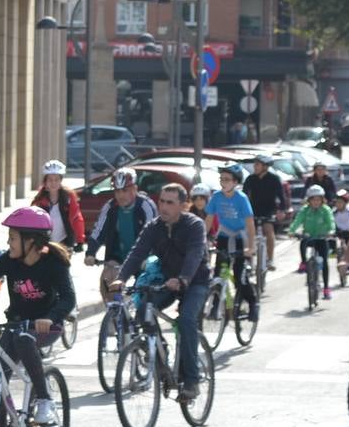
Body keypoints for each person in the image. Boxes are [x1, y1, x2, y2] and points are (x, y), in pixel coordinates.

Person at [0, 205, 75, 427]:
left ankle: (44, 399)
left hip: (46, 326)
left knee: (25, 339)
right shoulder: (8, 260)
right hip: (16, 323)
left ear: (31, 241)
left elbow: (68, 299)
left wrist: (51, 317)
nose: (8, 243)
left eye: (12, 238)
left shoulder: (54, 262)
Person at [110, 184, 211, 403]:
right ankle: (161, 358)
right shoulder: (154, 227)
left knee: (185, 320)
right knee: (143, 310)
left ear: (183, 206)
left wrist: (183, 279)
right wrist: (121, 277)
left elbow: (195, 255)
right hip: (167, 282)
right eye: (161, 201)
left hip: (195, 282)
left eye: (170, 203)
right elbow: (137, 253)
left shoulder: (194, 225)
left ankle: (191, 382)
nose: (163, 207)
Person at [85, 167, 157, 303]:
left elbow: (153, 235)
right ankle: (113, 316)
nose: (120, 195)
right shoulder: (110, 207)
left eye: (125, 190)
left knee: (144, 296)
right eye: (117, 191)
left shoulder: (146, 206)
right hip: (118, 256)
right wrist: (90, 253)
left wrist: (147, 257)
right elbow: (98, 231)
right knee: (107, 281)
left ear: (134, 189)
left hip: (142, 257)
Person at [206, 164, 260, 322]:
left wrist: (251, 246)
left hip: (239, 238)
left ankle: (253, 303)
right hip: (224, 235)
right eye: (221, 179)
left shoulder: (241, 199)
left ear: (235, 182)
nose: (223, 182)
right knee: (218, 272)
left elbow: (250, 224)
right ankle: (215, 306)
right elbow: (208, 220)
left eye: (227, 180)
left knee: (239, 276)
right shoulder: (216, 197)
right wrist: (201, 239)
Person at [242, 153, 287, 270]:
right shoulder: (250, 179)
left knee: (268, 230)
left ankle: (270, 259)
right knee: (249, 234)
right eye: (255, 164)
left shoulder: (274, 179)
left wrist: (282, 210)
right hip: (252, 210)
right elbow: (244, 196)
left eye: (257, 164)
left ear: (265, 167)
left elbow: (281, 197)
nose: (255, 167)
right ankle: (249, 260)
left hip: (269, 210)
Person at [290, 185, 336, 299]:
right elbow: (297, 221)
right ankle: (304, 263)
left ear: (322, 200)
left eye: (318, 199)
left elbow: (331, 222)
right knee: (303, 241)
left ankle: (326, 288)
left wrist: (330, 231)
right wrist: (292, 231)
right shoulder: (304, 210)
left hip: (321, 238)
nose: (316, 202)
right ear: (309, 200)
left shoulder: (326, 210)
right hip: (309, 237)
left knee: (325, 262)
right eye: (313, 199)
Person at [32, 159, 86, 252]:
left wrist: (80, 240)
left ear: (61, 180)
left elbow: (77, 218)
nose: (53, 183)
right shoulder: (40, 200)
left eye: (56, 180)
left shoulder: (69, 197)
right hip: (44, 243)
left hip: (65, 242)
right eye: (50, 180)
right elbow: (33, 221)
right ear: (45, 181)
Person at [334, 189, 349, 255]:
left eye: (340, 202)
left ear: (345, 203)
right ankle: (333, 258)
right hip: (338, 233)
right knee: (333, 246)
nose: (338, 204)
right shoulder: (334, 212)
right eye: (337, 202)